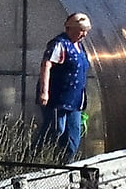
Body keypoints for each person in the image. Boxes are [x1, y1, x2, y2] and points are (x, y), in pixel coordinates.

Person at [34, 12, 92, 164]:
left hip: (75, 100)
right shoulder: (60, 44)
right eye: (81, 30)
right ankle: (31, 158)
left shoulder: (80, 47)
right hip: (58, 98)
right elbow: (46, 64)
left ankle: (65, 165)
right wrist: (44, 92)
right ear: (70, 28)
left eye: (86, 31)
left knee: (73, 136)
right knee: (56, 129)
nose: (84, 34)